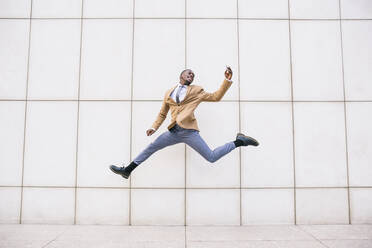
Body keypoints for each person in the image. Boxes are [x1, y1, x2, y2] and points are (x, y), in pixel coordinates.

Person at [110, 67, 259, 179]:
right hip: (173, 132)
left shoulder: (196, 91)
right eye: (189, 73)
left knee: (211, 157)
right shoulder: (169, 92)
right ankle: (127, 170)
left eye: (193, 75)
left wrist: (227, 80)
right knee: (151, 147)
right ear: (181, 75)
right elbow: (163, 113)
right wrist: (153, 127)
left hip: (189, 132)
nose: (191, 75)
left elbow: (216, 97)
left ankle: (239, 141)